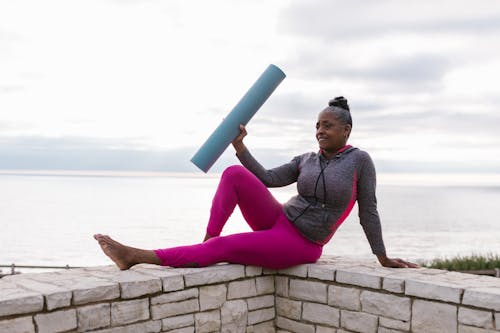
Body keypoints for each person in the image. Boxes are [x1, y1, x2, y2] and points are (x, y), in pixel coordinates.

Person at [94, 96, 418, 270]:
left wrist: (382, 256)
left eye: (328, 125)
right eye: (317, 125)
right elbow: (268, 179)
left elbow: (369, 212)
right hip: (279, 218)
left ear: (347, 129)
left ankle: (137, 256)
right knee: (234, 174)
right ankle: (207, 241)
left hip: (303, 243)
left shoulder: (360, 162)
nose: (320, 130)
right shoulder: (306, 159)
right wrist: (240, 148)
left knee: (225, 250)